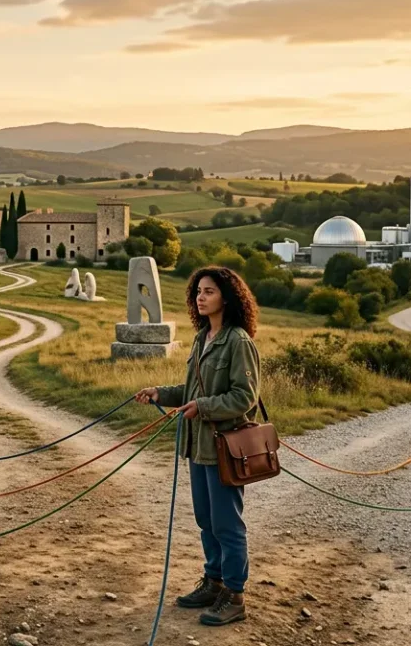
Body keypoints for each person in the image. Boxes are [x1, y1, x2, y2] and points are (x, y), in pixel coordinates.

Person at [136, 265, 261, 626]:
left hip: (224, 449)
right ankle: (213, 582)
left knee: (227, 524)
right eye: (198, 291)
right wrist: (160, 392)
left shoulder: (238, 341)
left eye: (209, 291)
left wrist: (202, 407)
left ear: (227, 297)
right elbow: (191, 390)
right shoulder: (202, 337)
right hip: (197, 447)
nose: (200, 298)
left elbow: (245, 397)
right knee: (206, 520)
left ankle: (234, 596)